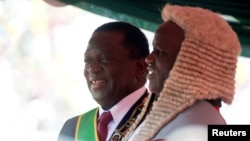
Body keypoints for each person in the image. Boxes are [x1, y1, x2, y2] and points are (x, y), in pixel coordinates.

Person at [128, 3, 241, 141]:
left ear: (193, 63)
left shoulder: (197, 125)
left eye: (160, 52)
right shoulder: (180, 117)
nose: (149, 59)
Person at [57, 21, 155, 141]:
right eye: (88, 60)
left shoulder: (161, 121)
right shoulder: (72, 129)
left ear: (140, 68)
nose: (92, 68)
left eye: (105, 59)